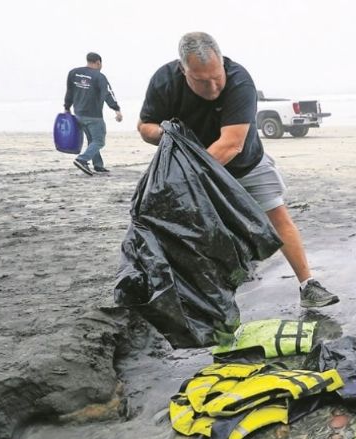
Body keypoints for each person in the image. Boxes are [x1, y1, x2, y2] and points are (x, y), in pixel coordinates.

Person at [137, 32, 339, 308]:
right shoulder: (164, 81)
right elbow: (144, 126)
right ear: (183, 70)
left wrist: (191, 181)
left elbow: (231, 144)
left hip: (244, 164)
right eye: (201, 80)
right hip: (194, 170)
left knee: (278, 217)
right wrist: (165, 133)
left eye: (216, 76)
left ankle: (308, 286)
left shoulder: (239, 80)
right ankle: (210, 301)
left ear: (222, 62)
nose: (213, 87)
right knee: (202, 235)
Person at [64, 52, 123, 175]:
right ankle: (82, 159)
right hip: (94, 116)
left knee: (92, 140)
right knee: (99, 141)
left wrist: (66, 108)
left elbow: (69, 91)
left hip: (78, 114)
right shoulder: (99, 76)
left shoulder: (73, 73)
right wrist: (117, 109)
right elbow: (107, 93)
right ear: (98, 62)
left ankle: (98, 165)